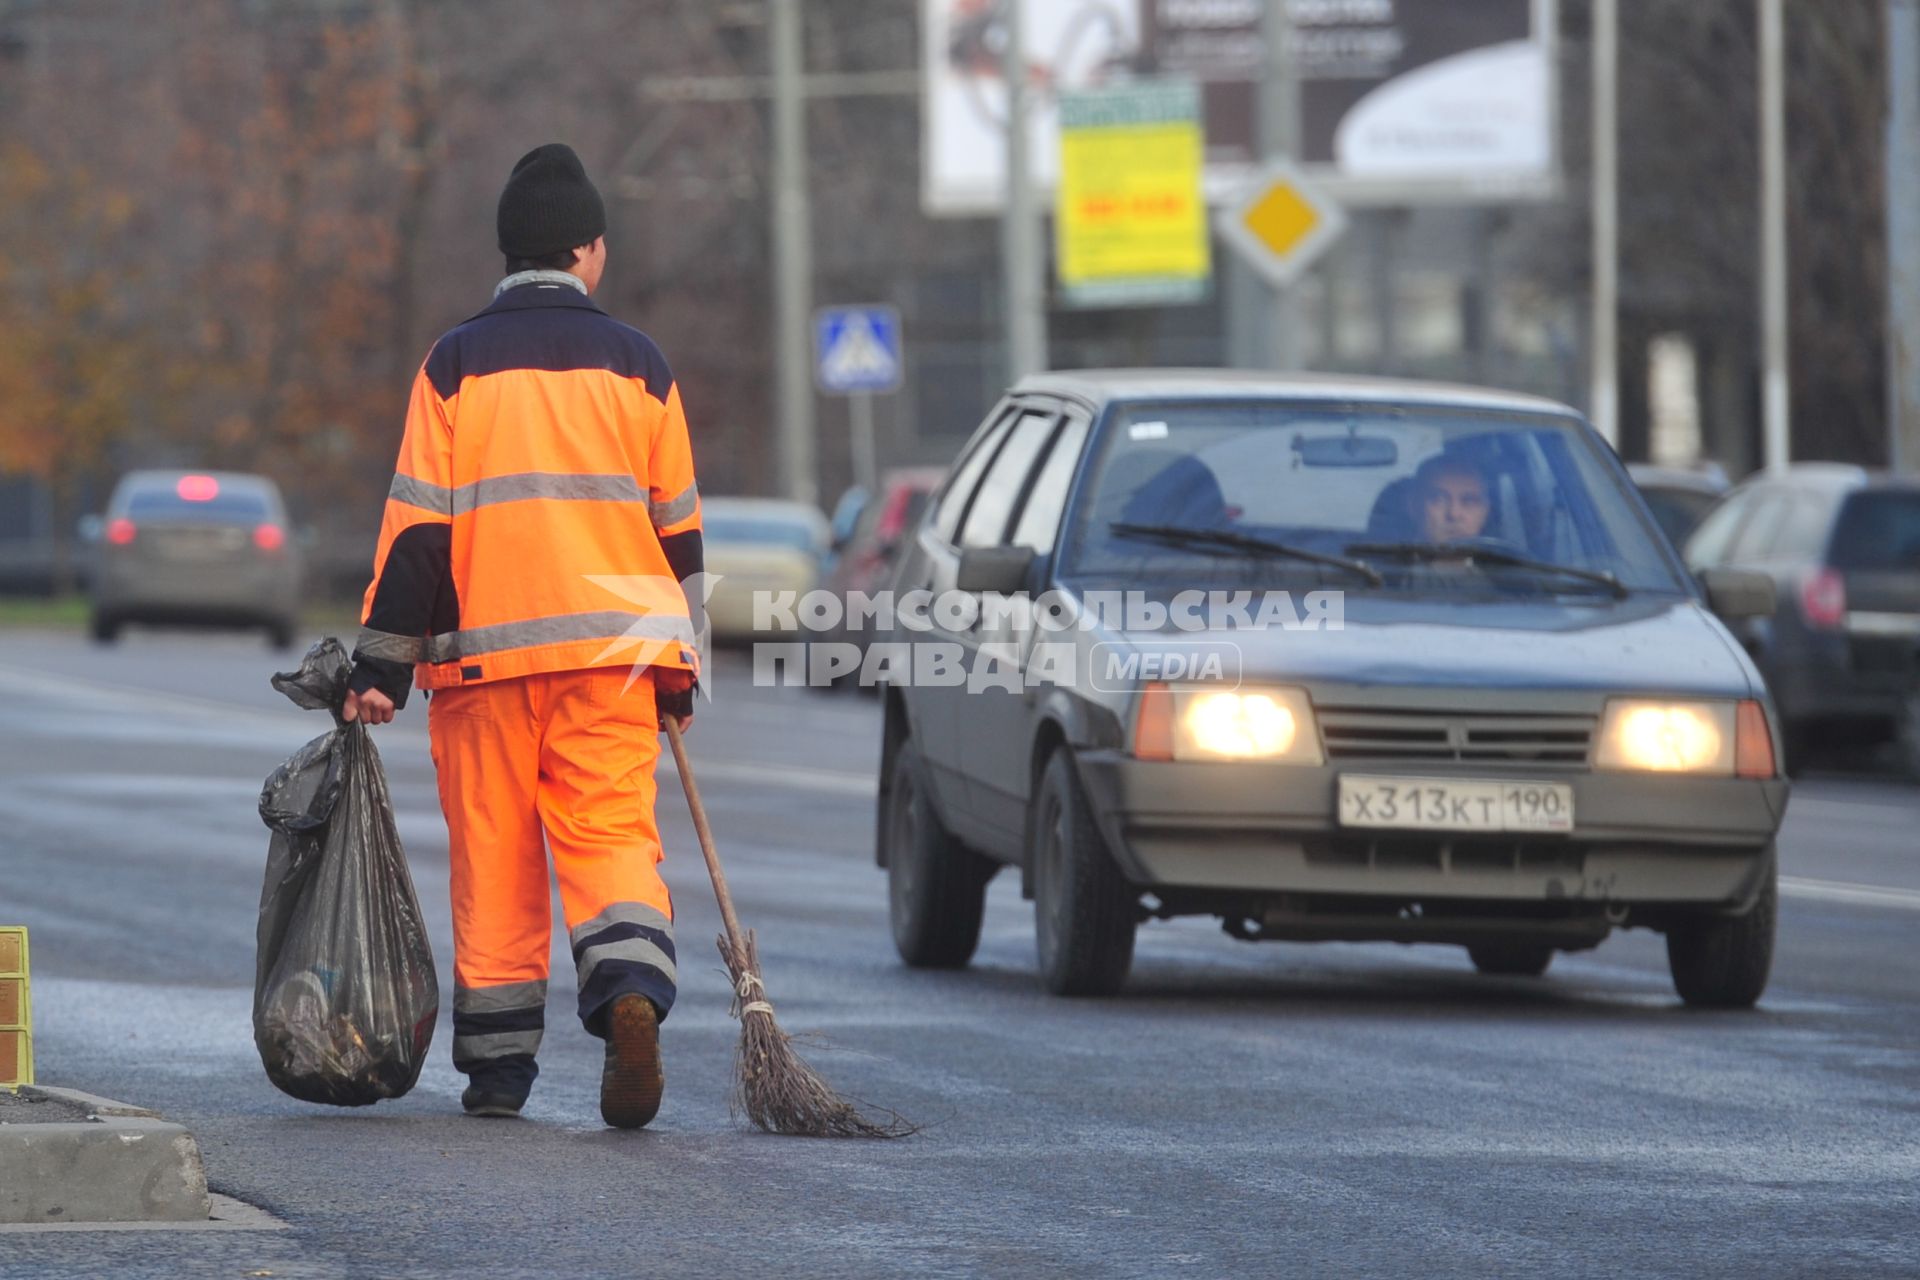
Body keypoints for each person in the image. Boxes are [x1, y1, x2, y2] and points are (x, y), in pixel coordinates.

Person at [339, 143, 703, 1130]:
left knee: (494, 859)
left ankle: (499, 1073)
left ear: (508, 255)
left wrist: (382, 662)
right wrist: (682, 663)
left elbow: (416, 526)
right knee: (612, 838)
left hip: (485, 665)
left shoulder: (454, 364)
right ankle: (628, 986)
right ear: (589, 251)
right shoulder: (642, 366)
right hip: (614, 662)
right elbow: (679, 534)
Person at [1409, 454, 1492, 543]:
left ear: (1485, 511)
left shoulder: (1504, 556)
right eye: (1439, 500)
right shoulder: (1393, 555)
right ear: (1413, 506)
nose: (1454, 514)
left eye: (1469, 502)